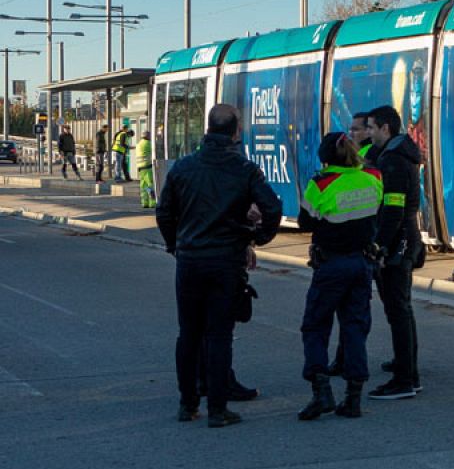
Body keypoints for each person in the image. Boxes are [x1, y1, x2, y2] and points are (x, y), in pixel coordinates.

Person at [155, 104, 282, 428]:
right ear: (236, 131)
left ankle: (188, 404)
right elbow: (272, 207)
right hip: (225, 261)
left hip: (190, 260)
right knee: (219, 335)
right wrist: (257, 237)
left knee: (189, 334)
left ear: (208, 128)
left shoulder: (183, 168)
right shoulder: (244, 169)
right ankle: (218, 409)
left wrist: (176, 245)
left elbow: (164, 213)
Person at [297, 132, 382, 420]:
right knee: (355, 328)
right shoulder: (372, 178)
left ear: (325, 158)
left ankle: (321, 392)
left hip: (331, 265)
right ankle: (353, 398)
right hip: (362, 264)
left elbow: (304, 221)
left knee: (315, 326)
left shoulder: (321, 184)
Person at [367, 104, 424, 400]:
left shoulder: (393, 162)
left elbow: (393, 209)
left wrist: (380, 245)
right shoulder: (395, 156)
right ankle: (406, 368)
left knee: (397, 309)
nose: (368, 132)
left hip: (397, 244)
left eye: (372, 127)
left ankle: (405, 379)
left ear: (386, 129)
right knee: (400, 309)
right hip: (403, 240)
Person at [136, 131, 155, 209]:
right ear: (148, 136)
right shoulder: (148, 144)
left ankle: (144, 203)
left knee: (143, 186)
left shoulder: (139, 144)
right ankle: (152, 203)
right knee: (150, 185)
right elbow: (155, 151)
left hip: (140, 168)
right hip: (147, 167)